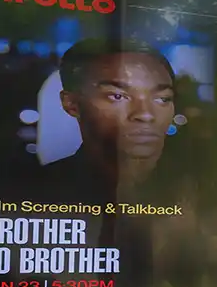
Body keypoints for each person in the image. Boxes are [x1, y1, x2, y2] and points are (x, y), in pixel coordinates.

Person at [33, 39, 181, 204]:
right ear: (71, 103)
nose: (145, 114)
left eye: (162, 99)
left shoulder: (204, 190)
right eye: (117, 96)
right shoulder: (32, 193)